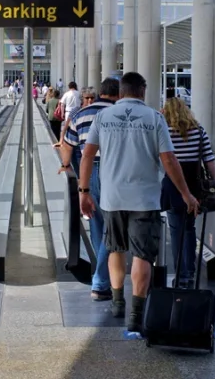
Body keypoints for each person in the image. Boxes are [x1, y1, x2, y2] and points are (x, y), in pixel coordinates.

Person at [80, 71, 199, 334]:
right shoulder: (154, 118)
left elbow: (87, 156)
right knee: (143, 255)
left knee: (115, 249)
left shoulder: (102, 116)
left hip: (112, 196)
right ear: (142, 91)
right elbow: (169, 159)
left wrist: (84, 191)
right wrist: (185, 193)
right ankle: (136, 312)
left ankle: (117, 302)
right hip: (145, 198)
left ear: (121, 92)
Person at [61, 81, 116, 300]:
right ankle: (101, 281)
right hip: (112, 170)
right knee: (112, 228)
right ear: (118, 94)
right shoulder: (116, 113)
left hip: (88, 172)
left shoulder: (80, 115)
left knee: (96, 223)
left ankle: (100, 273)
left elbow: (67, 146)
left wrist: (66, 167)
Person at [161, 97, 215, 289]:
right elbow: (209, 158)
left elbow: (163, 158)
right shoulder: (199, 131)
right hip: (194, 184)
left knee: (176, 230)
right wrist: (213, 182)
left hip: (173, 183)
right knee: (190, 228)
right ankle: (191, 271)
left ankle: (181, 274)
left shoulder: (165, 131)